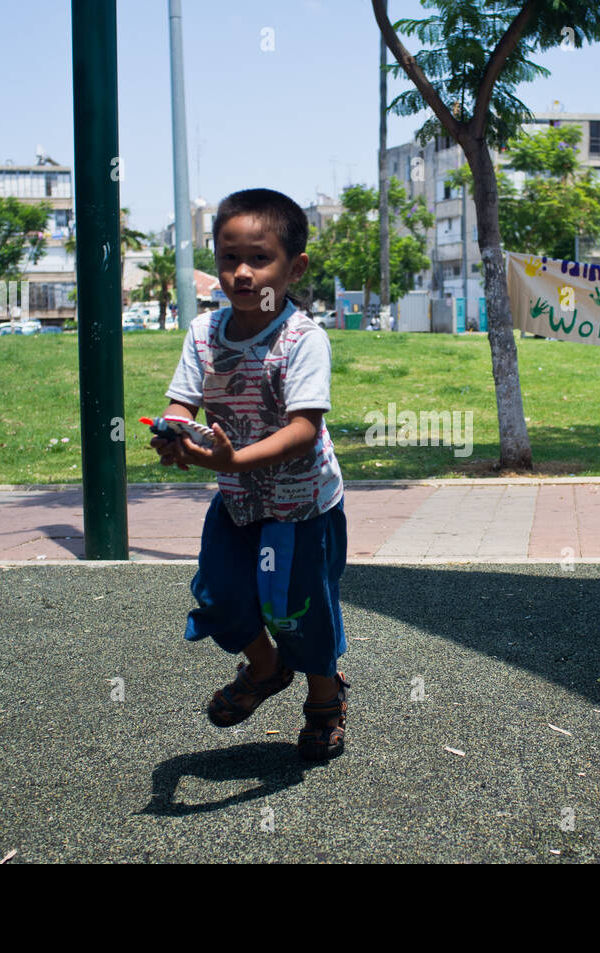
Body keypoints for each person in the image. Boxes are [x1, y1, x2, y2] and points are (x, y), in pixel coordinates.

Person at [150, 188, 350, 761]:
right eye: (227, 258)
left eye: (259, 259)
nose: (240, 272)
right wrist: (174, 434)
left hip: (302, 507)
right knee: (219, 596)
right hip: (237, 502)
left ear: (295, 266)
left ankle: (324, 697)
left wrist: (234, 458)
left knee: (298, 608)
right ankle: (265, 669)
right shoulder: (203, 334)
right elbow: (182, 404)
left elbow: (304, 430)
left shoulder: (302, 339)